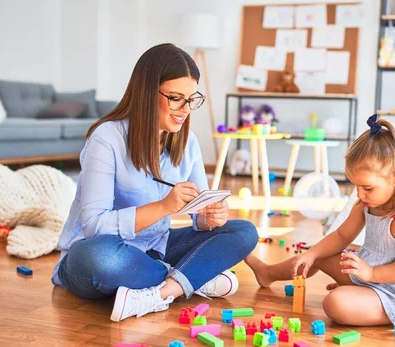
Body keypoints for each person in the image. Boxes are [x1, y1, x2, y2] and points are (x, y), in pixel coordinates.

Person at [51, 43, 258, 322]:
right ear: (148, 93)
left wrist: (212, 217)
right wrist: (164, 207)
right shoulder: (107, 138)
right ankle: (192, 278)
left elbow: (200, 219)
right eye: (176, 98)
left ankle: (164, 290)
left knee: (243, 231)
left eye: (191, 99)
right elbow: (94, 226)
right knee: (99, 258)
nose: (185, 109)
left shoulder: (188, 142)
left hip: (155, 249)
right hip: (99, 254)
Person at [246, 115, 395, 326]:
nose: (360, 194)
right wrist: (311, 254)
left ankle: (357, 297)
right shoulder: (367, 202)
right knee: (319, 255)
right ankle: (267, 273)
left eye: (368, 188)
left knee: (335, 303)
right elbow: (342, 235)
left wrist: (372, 273)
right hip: (368, 275)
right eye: (356, 186)